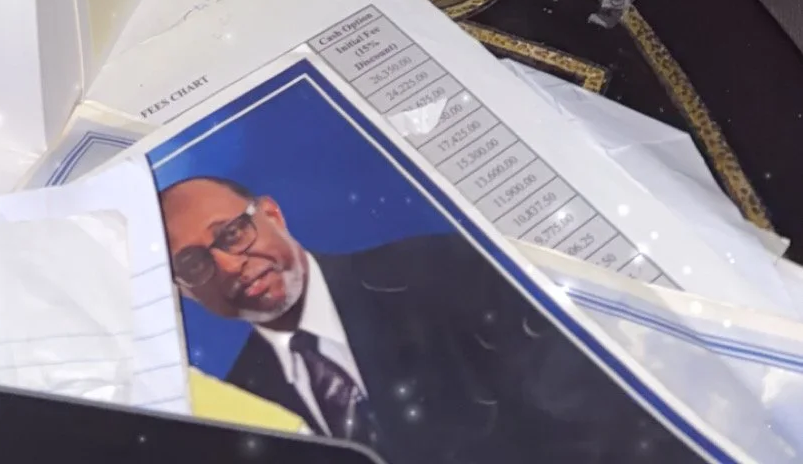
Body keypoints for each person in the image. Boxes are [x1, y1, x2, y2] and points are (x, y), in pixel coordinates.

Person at [159, 172, 677, 460]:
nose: (228, 264)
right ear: (183, 292)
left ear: (272, 214)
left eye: (231, 234)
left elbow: (602, 420)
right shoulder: (242, 410)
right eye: (194, 264)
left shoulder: (443, 272)